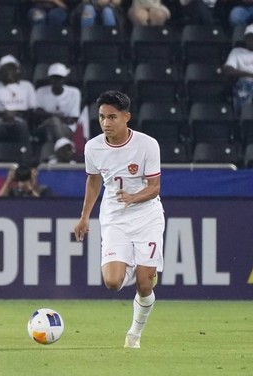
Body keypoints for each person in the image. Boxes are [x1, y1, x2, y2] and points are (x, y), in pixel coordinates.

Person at [73, 90, 164, 350]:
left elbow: (155, 187)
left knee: (145, 285)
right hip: (114, 216)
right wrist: (84, 217)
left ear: (127, 117)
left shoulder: (147, 144)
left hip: (146, 216)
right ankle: (136, 267)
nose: (106, 123)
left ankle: (134, 334)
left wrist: (134, 199)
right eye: (102, 117)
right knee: (112, 283)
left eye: (112, 117)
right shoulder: (93, 147)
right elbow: (93, 181)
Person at [0, 55, 36, 150]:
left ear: (18, 71)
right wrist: (2, 114)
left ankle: (26, 156)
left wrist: (15, 114)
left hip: (20, 120)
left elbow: (32, 111)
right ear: (0, 73)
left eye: (12, 69)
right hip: (0, 120)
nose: (8, 72)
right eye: (5, 70)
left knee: (23, 125)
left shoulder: (27, 86)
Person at [35, 62, 81, 153]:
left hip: (67, 128)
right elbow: (37, 113)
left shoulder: (74, 92)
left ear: (65, 79)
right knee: (53, 122)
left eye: (59, 78)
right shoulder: (41, 91)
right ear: (49, 79)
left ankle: (53, 155)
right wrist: (56, 118)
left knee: (52, 131)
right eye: (54, 78)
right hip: (43, 127)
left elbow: (72, 119)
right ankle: (65, 151)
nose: (56, 81)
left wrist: (49, 115)